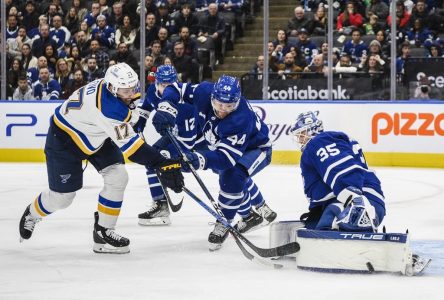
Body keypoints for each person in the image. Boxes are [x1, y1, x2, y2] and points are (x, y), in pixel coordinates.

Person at [18, 63, 185, 254]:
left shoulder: (114, 91)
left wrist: (141, 123)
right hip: (65, 141)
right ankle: (32, 213)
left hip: (96, 133)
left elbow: (129, 117)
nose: (131, 93)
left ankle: (103, 232)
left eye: (134, 88)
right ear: (113, 89)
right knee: (62, 199)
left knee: (118, 176)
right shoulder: (109, 109)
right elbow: (133, 150)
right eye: (126, 90)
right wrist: (161, 162)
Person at [182, 75, 277, 250]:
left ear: (237, 101)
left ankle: (225, 221)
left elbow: (226, 159)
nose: (223, 110)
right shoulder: (204, 91)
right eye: (219, 105)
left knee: (233, 175)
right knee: (233, 176)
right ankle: (251, 215)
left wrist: (200, 160)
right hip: (224, 141)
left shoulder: (239, 119)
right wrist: (166, 106)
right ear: (212, 97)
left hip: (257, 149)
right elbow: (177, 90)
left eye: (229, 106)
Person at [289, 111, 385, 232]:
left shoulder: (318, 142)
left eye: (302, 134)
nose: (300, 139)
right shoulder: (321, 145)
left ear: (312, 130)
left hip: (363, 202)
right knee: (316, 224)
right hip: (357, 202)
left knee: (326, 223)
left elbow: (341, 169)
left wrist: (355, 198)